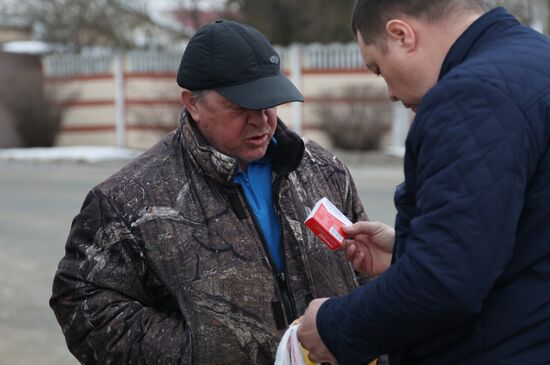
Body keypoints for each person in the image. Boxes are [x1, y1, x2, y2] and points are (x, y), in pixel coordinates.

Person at [50, 20, 368, 364]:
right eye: (242, 106)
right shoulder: (127, 200)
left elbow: (365, 275)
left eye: (270, 103)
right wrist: (196, 352)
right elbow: (83, 304)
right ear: (193, 103)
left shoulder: (322, 169)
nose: (262, 120)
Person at [298, 1, 550, 364]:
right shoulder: (534, 63)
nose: (390, 93)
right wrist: (410, 249)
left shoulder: (471, 96)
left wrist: (332, 325)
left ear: (402, 35)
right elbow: (527, 234)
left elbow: (444, 282)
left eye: (379, 69)